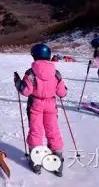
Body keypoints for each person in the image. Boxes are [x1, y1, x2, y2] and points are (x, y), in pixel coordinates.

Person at [14, 43, 67, 176]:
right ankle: (58, 160)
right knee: (53, 130)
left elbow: (26, 91)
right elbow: (62, 93)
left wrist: (18, 82)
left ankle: (36, 161)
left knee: (36, 131)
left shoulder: (31, 73)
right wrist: (63, 89)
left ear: (35, 56)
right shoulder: (56, 73)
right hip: (51, 104)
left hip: (36, 104)